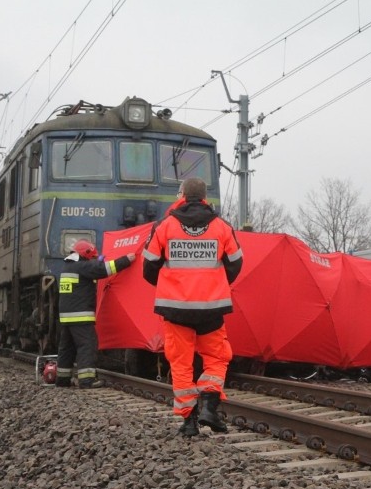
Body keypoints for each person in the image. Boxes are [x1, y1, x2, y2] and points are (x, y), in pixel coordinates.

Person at [143, 177, 243, 437]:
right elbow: (235, 262)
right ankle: (210, 407)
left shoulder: (164, 226)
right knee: (217, 357)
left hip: (175, 309)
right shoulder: (222, 227)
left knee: (181, 363)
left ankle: (189, 422)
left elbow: (148, 266)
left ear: (183, 195)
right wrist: (217, 283)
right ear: (205, 197)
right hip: (212, 309)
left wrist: (169, 284)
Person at [56, 240, 135, 388]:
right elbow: (103, 269)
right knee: (87, 345)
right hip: (81, 316)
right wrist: (127, 259)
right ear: (86, 255)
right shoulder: (83, 266)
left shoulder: (68, 267)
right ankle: (86, 381)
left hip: (66, 317)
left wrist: (97, 261)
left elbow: (94, 266)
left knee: (67, 348)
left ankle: (62, 379)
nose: (92, 259)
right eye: (91, 257)